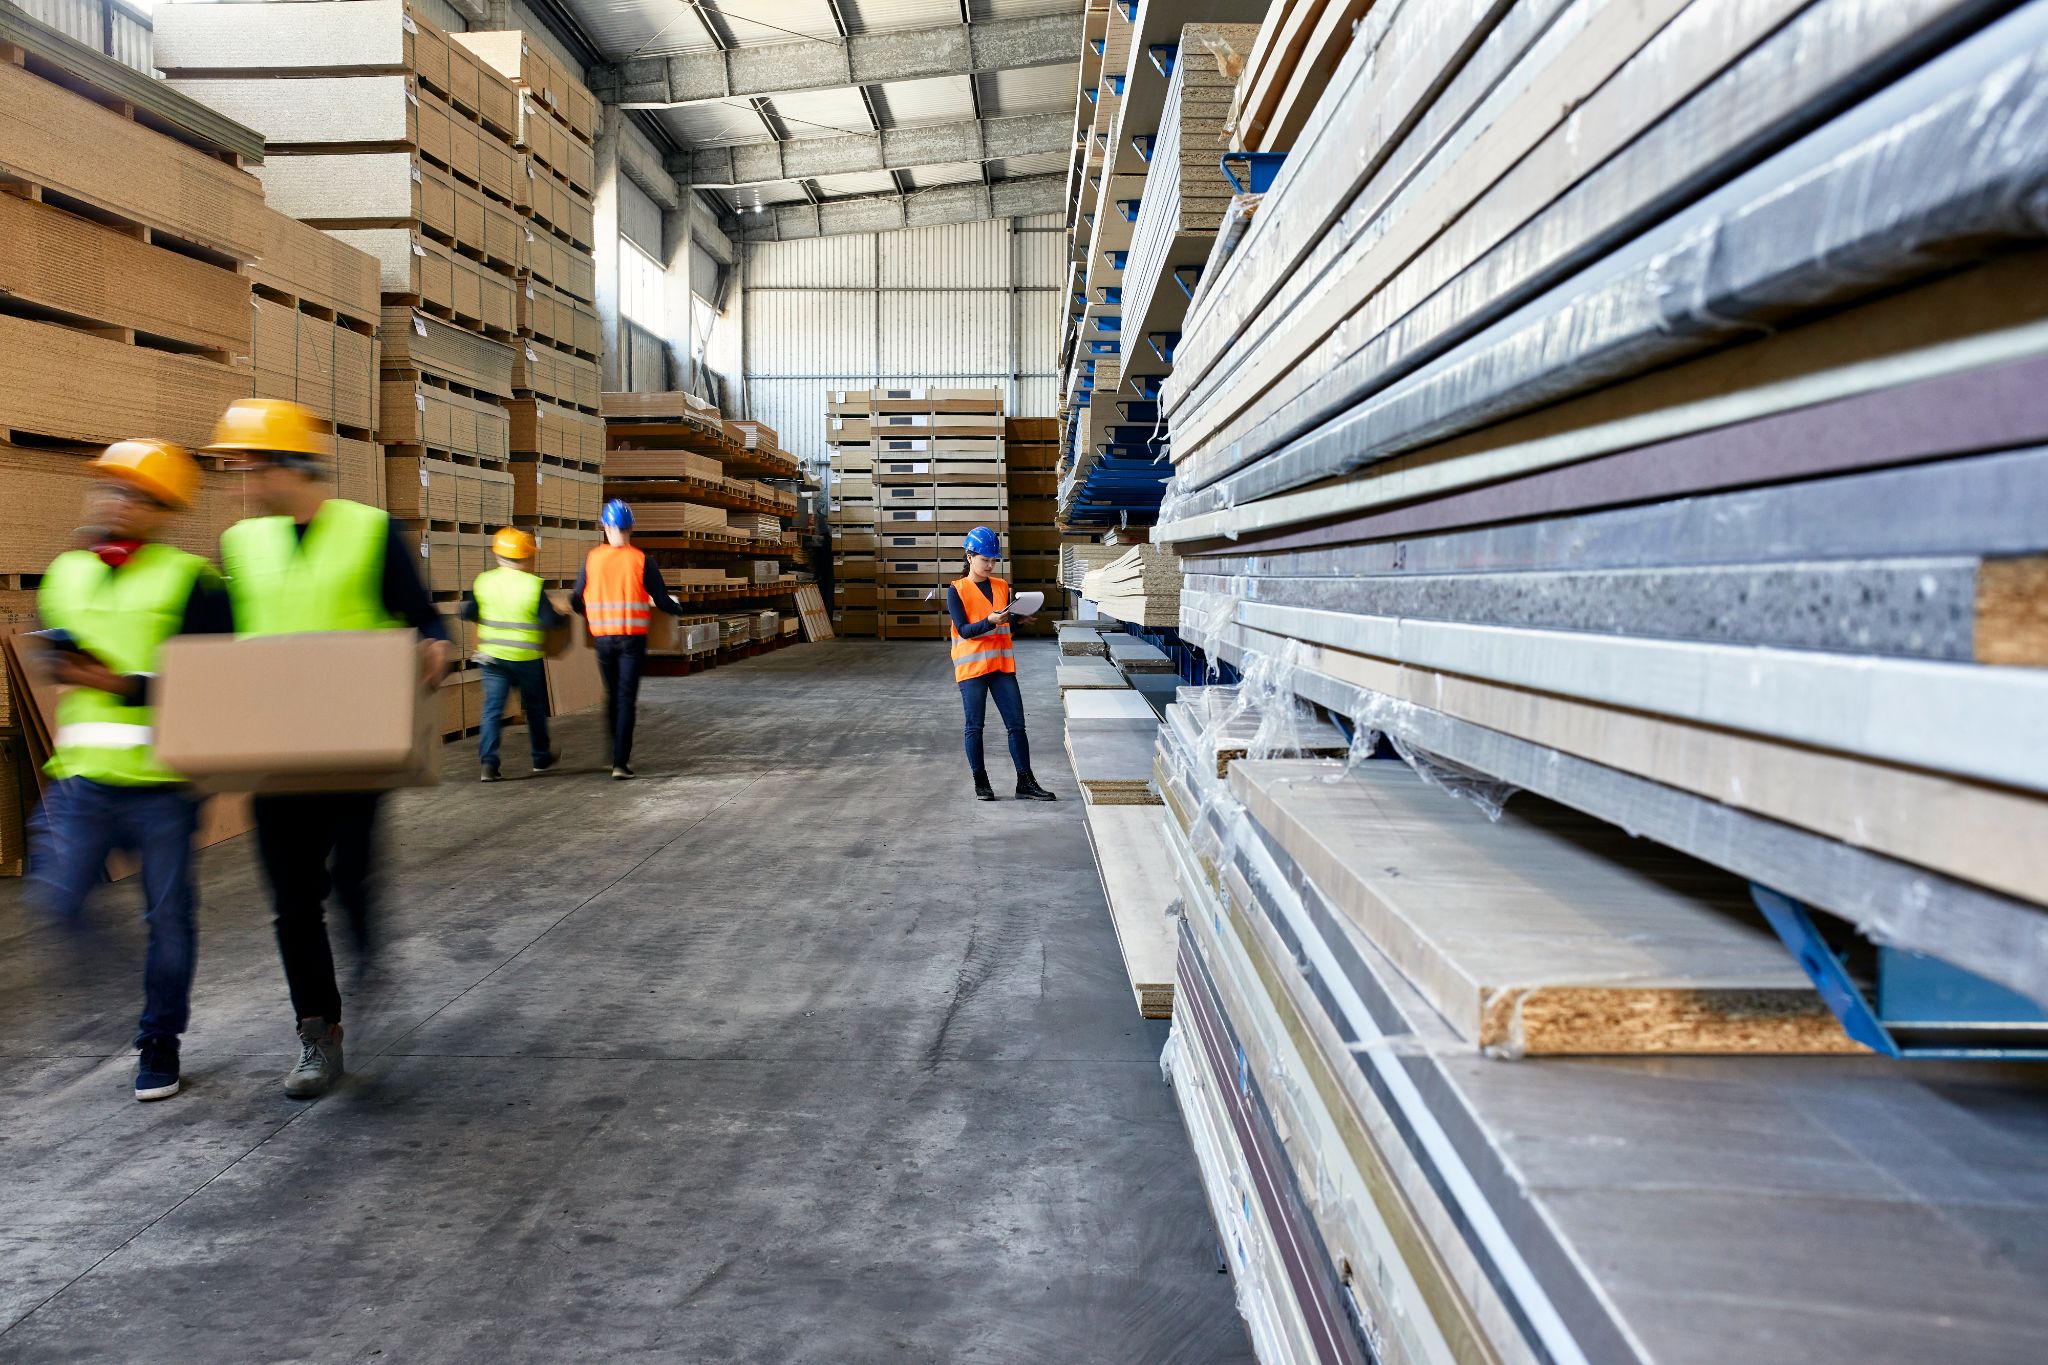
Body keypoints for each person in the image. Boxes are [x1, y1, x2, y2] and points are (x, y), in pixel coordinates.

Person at [206, 398, 453, 1099]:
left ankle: (367, 945)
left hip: (355, 750)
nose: (239, 483)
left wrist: (433, 646)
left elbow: (425, 616)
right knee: (292, 900)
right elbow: (221, 642)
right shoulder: (240, 546)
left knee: (349, 884)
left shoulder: (371, 533)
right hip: (276, 752)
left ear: (287, 464)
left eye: (246, 467)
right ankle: (319, 1031)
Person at [27, 441, 229, 1101]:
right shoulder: (65, 573)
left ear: (160, 508)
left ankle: (158, 1040)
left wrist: (115, 678)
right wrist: (63, 663)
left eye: (131, 491)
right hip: (83, 778)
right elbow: (59, 658)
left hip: (163, 785)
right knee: (57, 897)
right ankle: (124, 994)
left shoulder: (191, 581)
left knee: (169, 920)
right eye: (107, 487)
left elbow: (214, 684)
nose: (113, 500)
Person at [570, 499, 683, 780]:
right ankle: (621, 762)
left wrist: (586, 610)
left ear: (605, 526)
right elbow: (661, 600)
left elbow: (575, 599)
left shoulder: (592, 559)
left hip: (603, 641)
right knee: (625, 699)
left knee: (612, 697)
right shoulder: (643, 560)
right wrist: (678, 609)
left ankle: (611, 755)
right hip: (632, 642)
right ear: (631, 528)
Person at [946, 526, 1055, 803]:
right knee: (975, 726)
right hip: (972, 671)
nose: (990, 564)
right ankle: (981, 782)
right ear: (969, 557)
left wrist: (1019, 620)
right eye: (985, 559)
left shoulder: (1002, 586)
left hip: (1001, 668)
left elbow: (1006, 625)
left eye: (994, 560)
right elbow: (964, 630)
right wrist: (990, 622)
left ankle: (1025, 782)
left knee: (1016, 725)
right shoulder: (956, 590)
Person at [462, 526, 565, 782]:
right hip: (525, 659)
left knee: (492, 710)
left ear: (497, 555)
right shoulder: (533, 585)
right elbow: (550, 622)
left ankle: (488, 764)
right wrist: (561, 614)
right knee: (535, 709)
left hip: (492, 657)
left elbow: (469, 613)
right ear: (528, 558)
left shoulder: (483, 581)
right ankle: (540, 758)